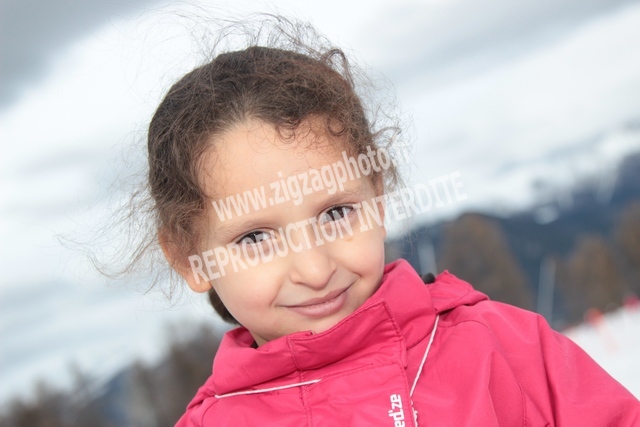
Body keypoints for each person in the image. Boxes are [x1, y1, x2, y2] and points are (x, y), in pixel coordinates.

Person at [144, 19, 640, 426]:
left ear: (377, 200)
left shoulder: (506, 350)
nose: (315, 270)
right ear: (189, 258)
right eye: (255, 238)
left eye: (336, 213)